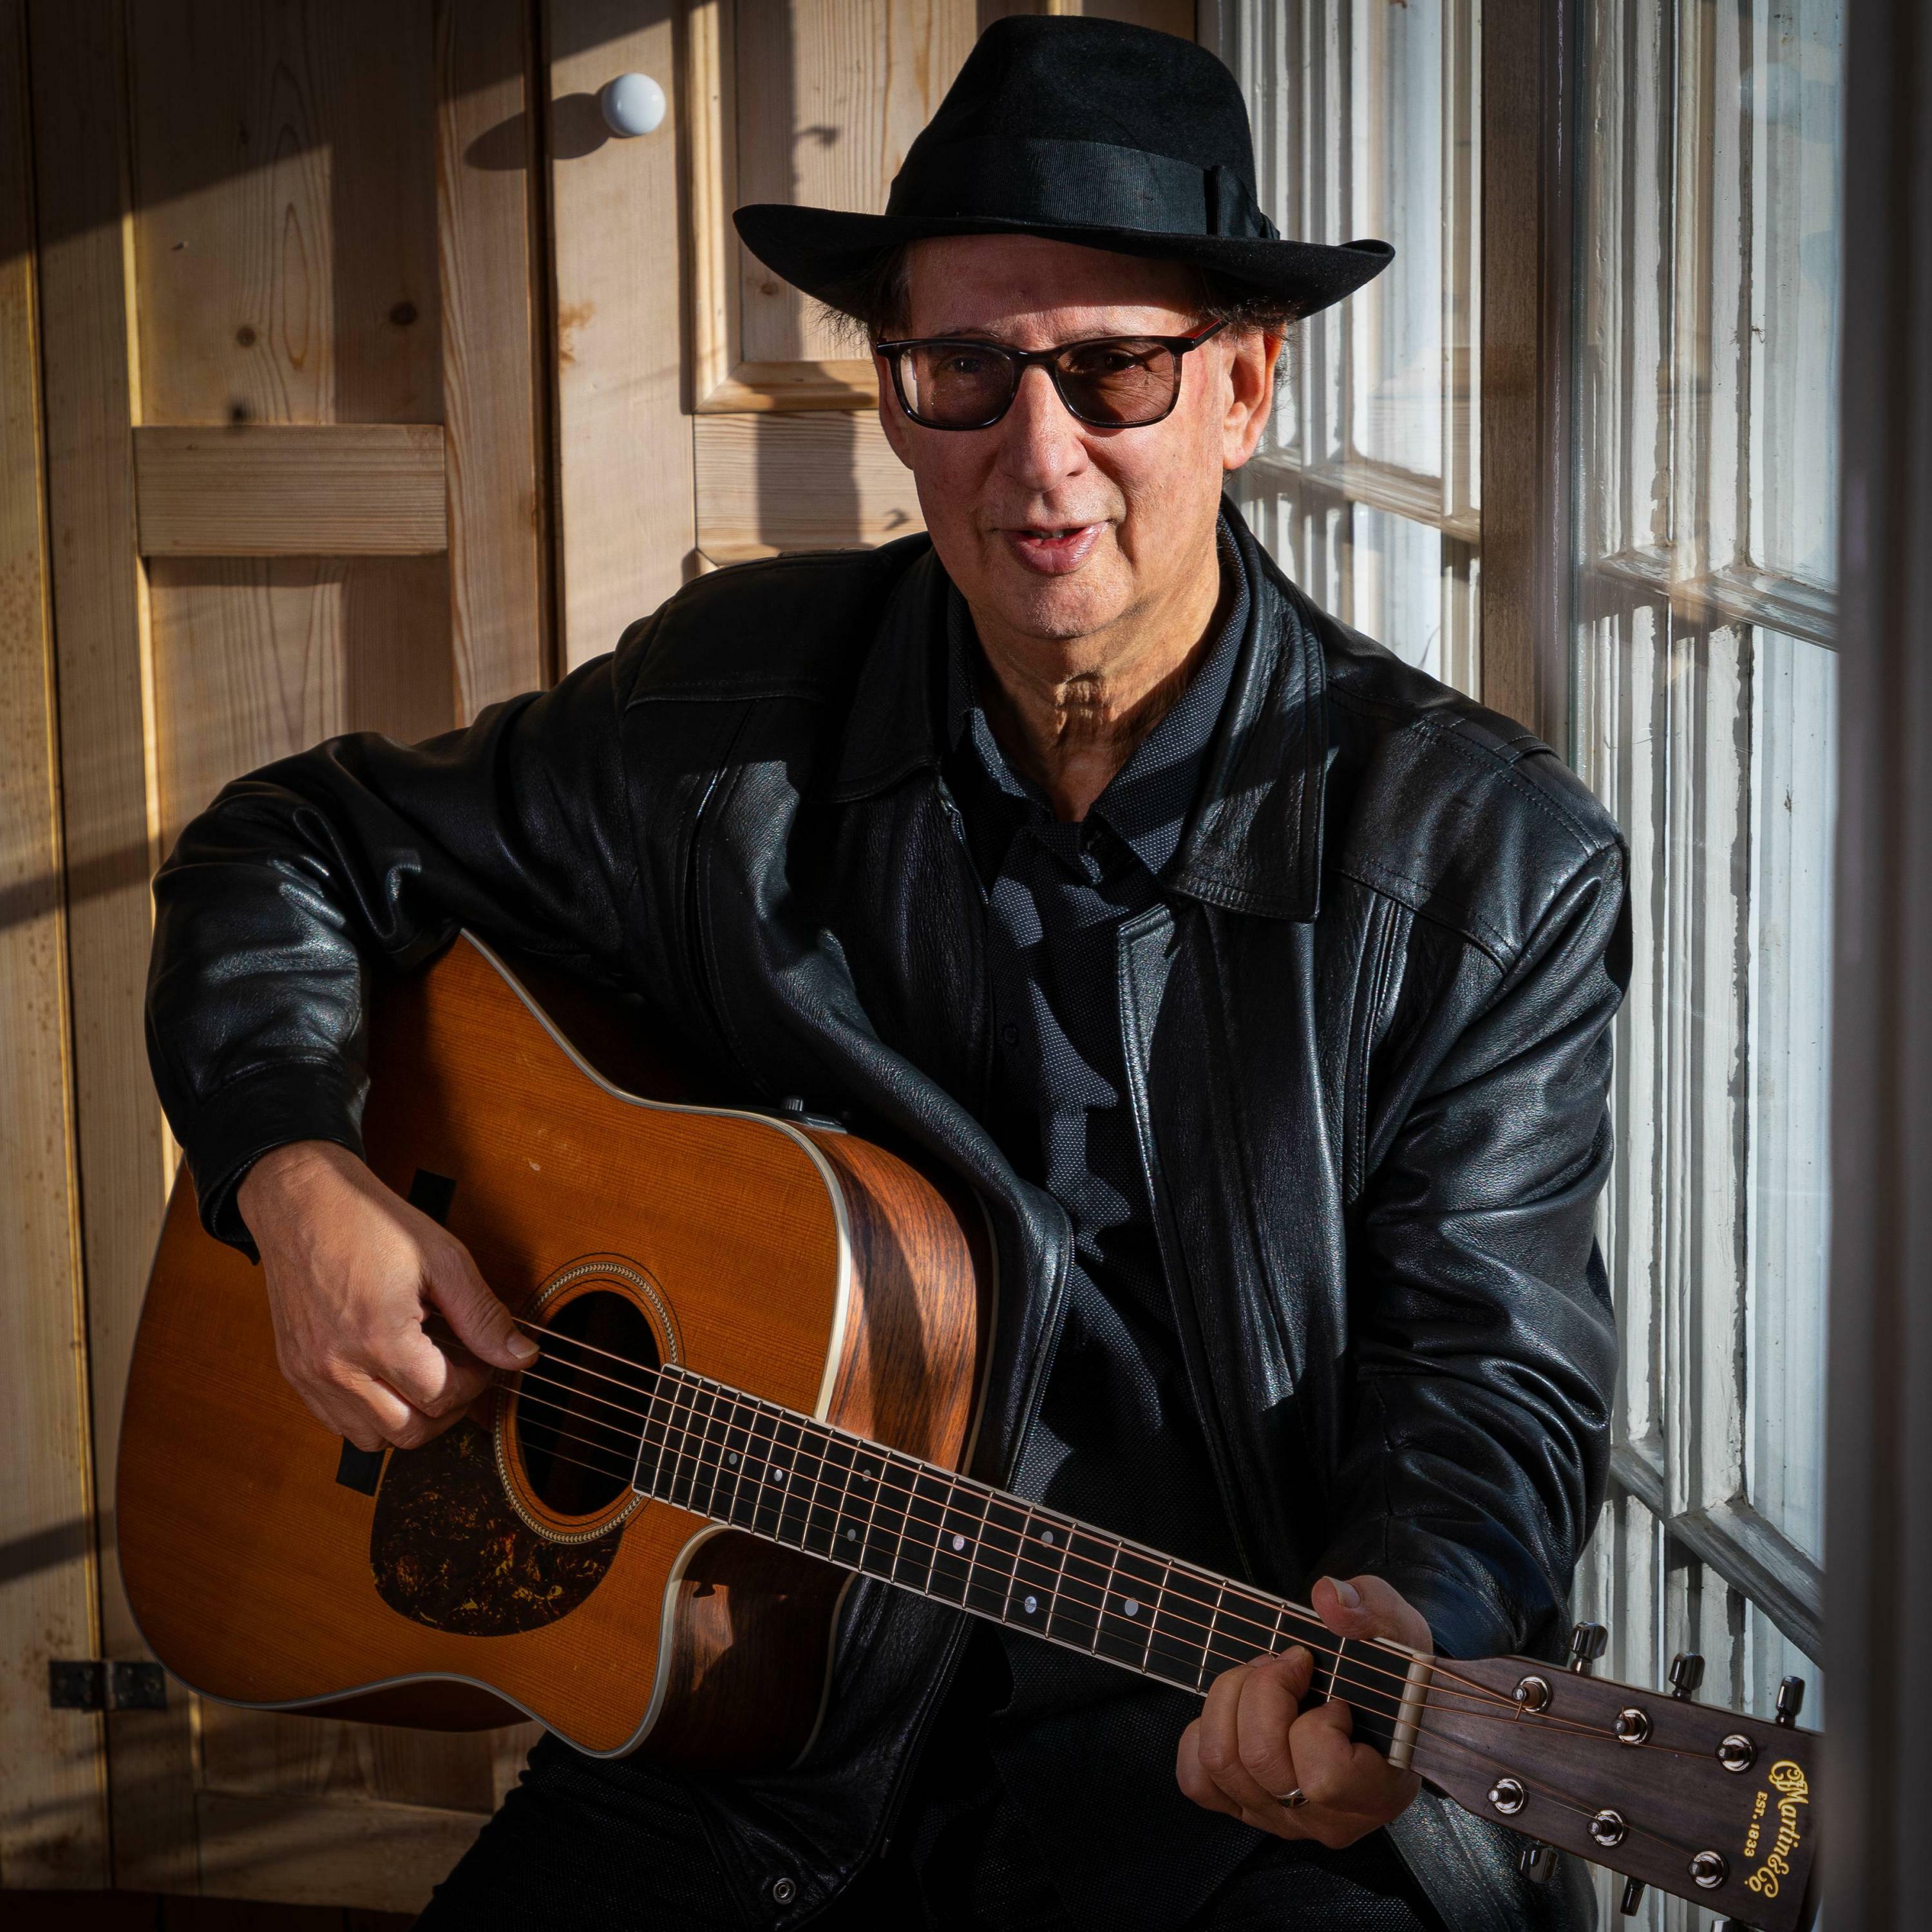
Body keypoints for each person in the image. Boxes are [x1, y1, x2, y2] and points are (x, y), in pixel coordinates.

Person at [145, 17, 1624, 1931]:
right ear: (894, 393)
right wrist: (293, 1171)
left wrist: (1398, 1630)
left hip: (1221, 1778)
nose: (1040, 454)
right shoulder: (725, 716)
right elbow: (293, 843)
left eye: (1116, 369)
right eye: (965, 371)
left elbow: (1490, 1375)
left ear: (1245, 386)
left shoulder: (1487, 859)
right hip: (756, 1736)